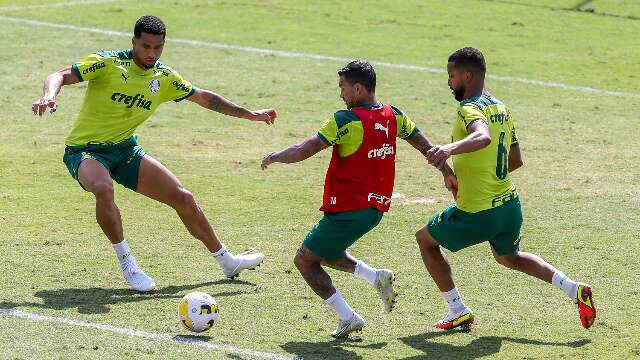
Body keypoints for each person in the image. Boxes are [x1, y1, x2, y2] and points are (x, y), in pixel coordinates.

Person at [32, 15, 276, 292]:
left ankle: (227, 260)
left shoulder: (164, 78)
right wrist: (49, 95)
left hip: (125, 150)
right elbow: (59, 75)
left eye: (157, 47)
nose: (151, 53)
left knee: (183, 197)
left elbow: (204, 98)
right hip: (85, 151)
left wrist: (249, 115)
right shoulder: (109, 63)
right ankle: (127, 263)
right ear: (133, 42)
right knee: (103, 187)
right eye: (145, 46)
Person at [261, 60, 455, 338]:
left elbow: (307, 148)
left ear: (358, 88)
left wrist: (276, 156)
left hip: (349, 208)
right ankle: (374, 276)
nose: (340, 94)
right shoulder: (393, 115)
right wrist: (446, 171)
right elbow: (424, 144)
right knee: (325, 252)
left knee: (304, 260)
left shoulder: (346, 120)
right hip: (373, 209)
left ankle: (348, 317)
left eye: (342, 88)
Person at [417, 47, 595, 330]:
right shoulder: (500, 107)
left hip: (478, 212)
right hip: (509, 206)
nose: (449, 82)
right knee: (509, 257)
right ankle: (575, 289)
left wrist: (449, 148)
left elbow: (482, 136)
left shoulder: (469, 108)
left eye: (451, 75)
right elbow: (516, 160)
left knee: (425, 240)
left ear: (467, 74)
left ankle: (457, 309)